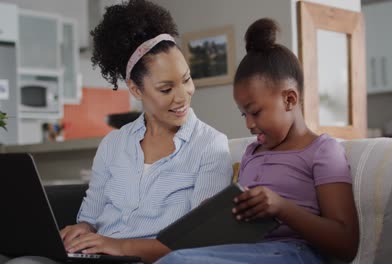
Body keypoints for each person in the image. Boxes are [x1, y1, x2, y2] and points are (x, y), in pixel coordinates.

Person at [0, 1, 232, 263]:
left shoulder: (210, 146)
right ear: (135, 89)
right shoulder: (113, 143)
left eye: (187, 79)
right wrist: (81, 231)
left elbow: (200, 242)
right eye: (166, 89)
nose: (182, 96)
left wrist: (119, 246)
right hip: (98, 256)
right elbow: (91, 216)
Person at [156, 18, 359, 264]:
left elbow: (346, 244)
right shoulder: (252, 152)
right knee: (171, 258)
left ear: (289, 100)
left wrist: (282, 207)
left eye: (255, 112)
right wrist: (221, 214)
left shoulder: (322, 151)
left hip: (297, 253)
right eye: (244, 114)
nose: (249, 124)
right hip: (249, 252)